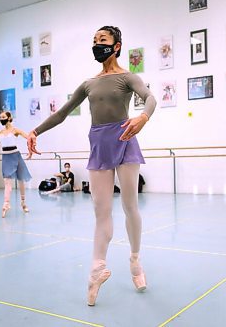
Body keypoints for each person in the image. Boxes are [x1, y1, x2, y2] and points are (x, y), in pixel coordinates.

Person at [26, 26, 156, 306]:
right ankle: (97, 269)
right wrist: (35, 131)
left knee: (130, 205)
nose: (97, 45)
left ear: (117, 46)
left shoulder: (127, 77)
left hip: (125, 137)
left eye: (103, 40)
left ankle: (135, 260)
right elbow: (62, 113)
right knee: (101, 211)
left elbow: (150, 98)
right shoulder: (88, 83)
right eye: (94, 41)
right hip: (99, 143)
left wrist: (143, 118)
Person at [0, 111, 32, 218]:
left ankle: (23, 202)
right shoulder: (0, 132)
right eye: (0, 117)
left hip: (16, 156)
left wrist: (30, 150)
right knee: (7, 182)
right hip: (6, 157)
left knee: (21, 180)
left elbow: (28, 137)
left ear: (9, 117)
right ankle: (6, 204)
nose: (1, 119)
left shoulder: (15, 130)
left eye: (3, 117)